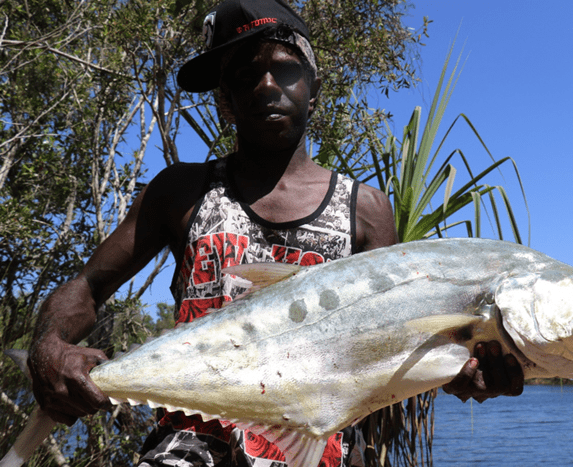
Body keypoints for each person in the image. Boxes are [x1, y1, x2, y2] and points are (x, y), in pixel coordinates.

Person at [27, 0, 524, 465]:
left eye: (284, 69)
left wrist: (459, 372)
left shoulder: (366, 210)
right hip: (187, 450)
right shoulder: (180, 191)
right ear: (226, 100)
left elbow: (391, 350)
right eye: (245, 75)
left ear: (314, 85)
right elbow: (88, 288)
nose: (266, 85)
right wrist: (49, 343)